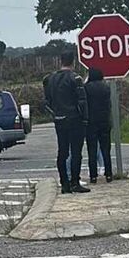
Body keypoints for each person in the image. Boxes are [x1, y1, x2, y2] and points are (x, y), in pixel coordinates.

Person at [43, 50, 89, 193]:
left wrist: (55, 113)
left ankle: (64, 184)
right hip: (75, 119)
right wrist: (85, 118)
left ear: (60, 61)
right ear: (73, 62)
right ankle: (75, 181)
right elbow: (82, 101)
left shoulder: (50, 79)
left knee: (62, 152)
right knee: (76, 152)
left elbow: (47, 101)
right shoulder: (76, 78)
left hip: (59, 119)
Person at [84, 68, 113, 184]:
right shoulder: (106, 87)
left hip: (91, 122)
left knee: (92, 149)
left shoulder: (86, 88)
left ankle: (93, 176)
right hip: (104, 120)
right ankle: (109, 174)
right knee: (106, 149)